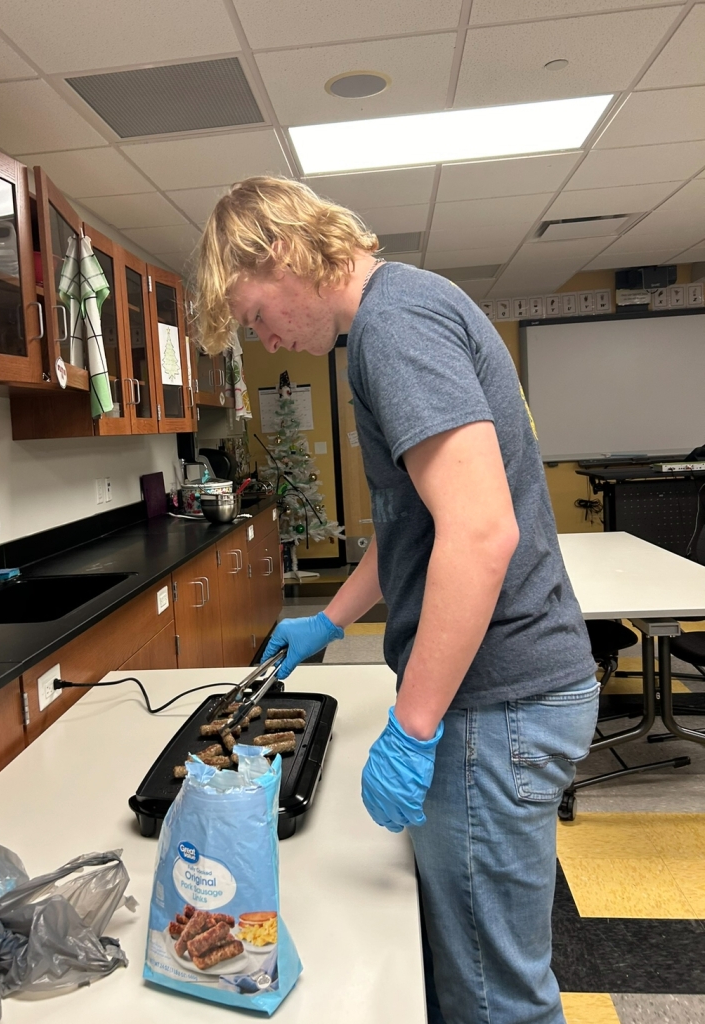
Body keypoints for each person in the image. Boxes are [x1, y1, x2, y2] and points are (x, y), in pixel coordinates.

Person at [193, 176, 599, 1024]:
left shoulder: (394, 325)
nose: (262, 334)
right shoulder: (402, 309)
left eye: (253, 309)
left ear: (283, 254)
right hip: (507, 697)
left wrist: (413, 728)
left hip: (497, 705)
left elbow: (481, 534)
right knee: (472, 972)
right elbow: (414, 527)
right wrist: (329, 621)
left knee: (497, 997)